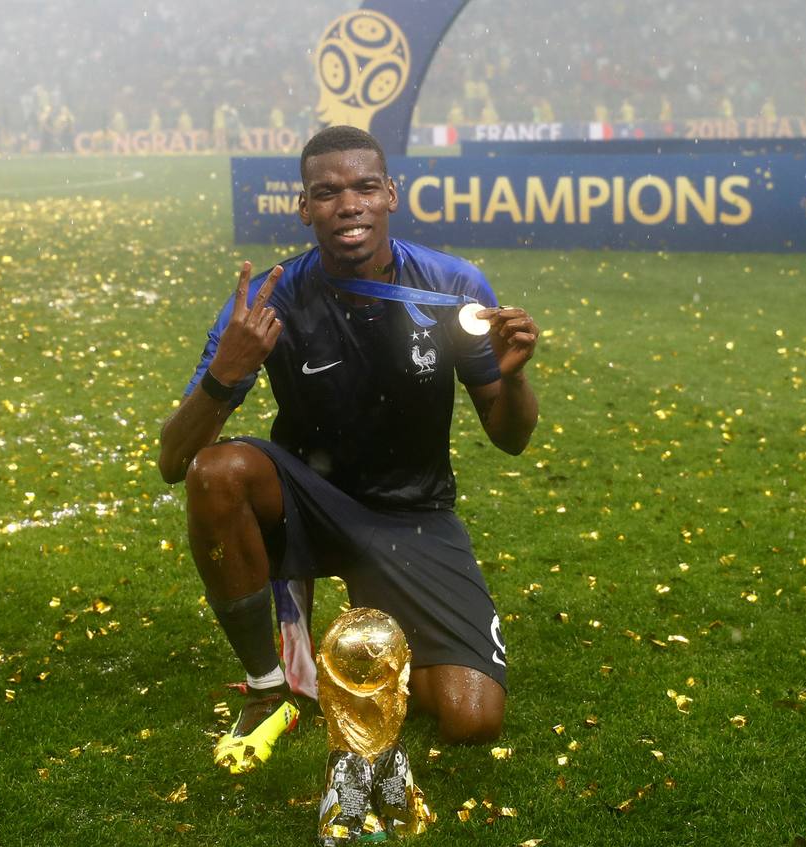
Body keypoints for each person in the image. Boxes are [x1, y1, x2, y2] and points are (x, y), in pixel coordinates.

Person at [158, 125, 539, 774]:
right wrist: (226, 375)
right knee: (217, 472)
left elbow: (510, 438)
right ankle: (269, 687)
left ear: (391, 194)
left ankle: (349, 655)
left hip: (412, 513)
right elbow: (174, 462)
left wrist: (515, 375)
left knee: (472, 719)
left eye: (365, 187)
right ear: (305, 208)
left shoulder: (452, 286)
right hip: (307, 498)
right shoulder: (269, 301)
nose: (349, 204)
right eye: (327, 192)